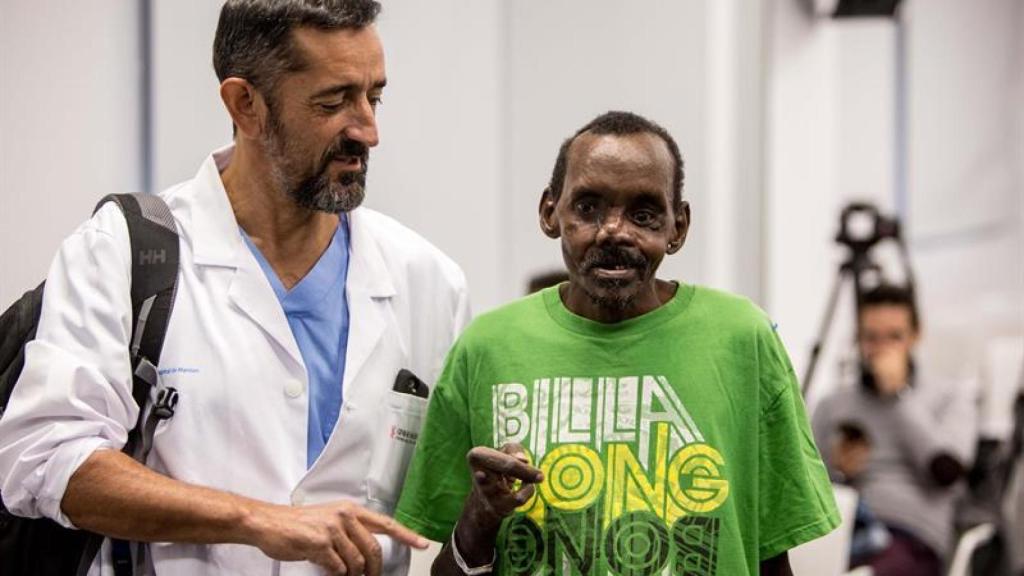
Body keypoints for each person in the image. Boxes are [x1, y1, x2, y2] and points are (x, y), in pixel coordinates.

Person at [0, 1, 469, 575]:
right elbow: (45, 458)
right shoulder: (122, 252)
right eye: (333, 102)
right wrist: (257, 519)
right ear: (245, 104)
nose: (367, 130)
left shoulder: (428, 280)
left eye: (375, 96)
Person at [395, 111, 840, 575]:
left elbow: (772, 555)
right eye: (587, 208)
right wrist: (480, 516)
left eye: (644, 214)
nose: (614, 231)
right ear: (550, 213)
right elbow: (445, 567)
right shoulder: (486, 348)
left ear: (678, 227)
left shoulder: (741, 339)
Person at [812, 283, 978, 576]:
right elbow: (809, 488)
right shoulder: (834, 404)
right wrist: (840, 474)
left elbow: (948, 473)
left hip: (912, 535)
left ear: (916, 335)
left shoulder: (950, 397)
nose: (882, 348)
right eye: (871, 338)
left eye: (894, 337)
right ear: (858, 340)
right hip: (843, 528)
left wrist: (898, 396)